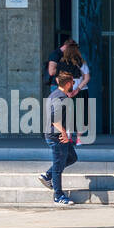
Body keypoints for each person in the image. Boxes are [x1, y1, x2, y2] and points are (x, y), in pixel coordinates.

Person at [39, 72, 79, 206]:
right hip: (57, 137)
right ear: (67, 83)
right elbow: (54, 119)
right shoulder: (60, 97)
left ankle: (47, 175)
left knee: (72, 158)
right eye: (73, 82)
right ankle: (58, 196)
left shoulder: (56, 94)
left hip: (59, 135)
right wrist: (64, 133)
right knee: (58, 166)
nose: (73, 85)